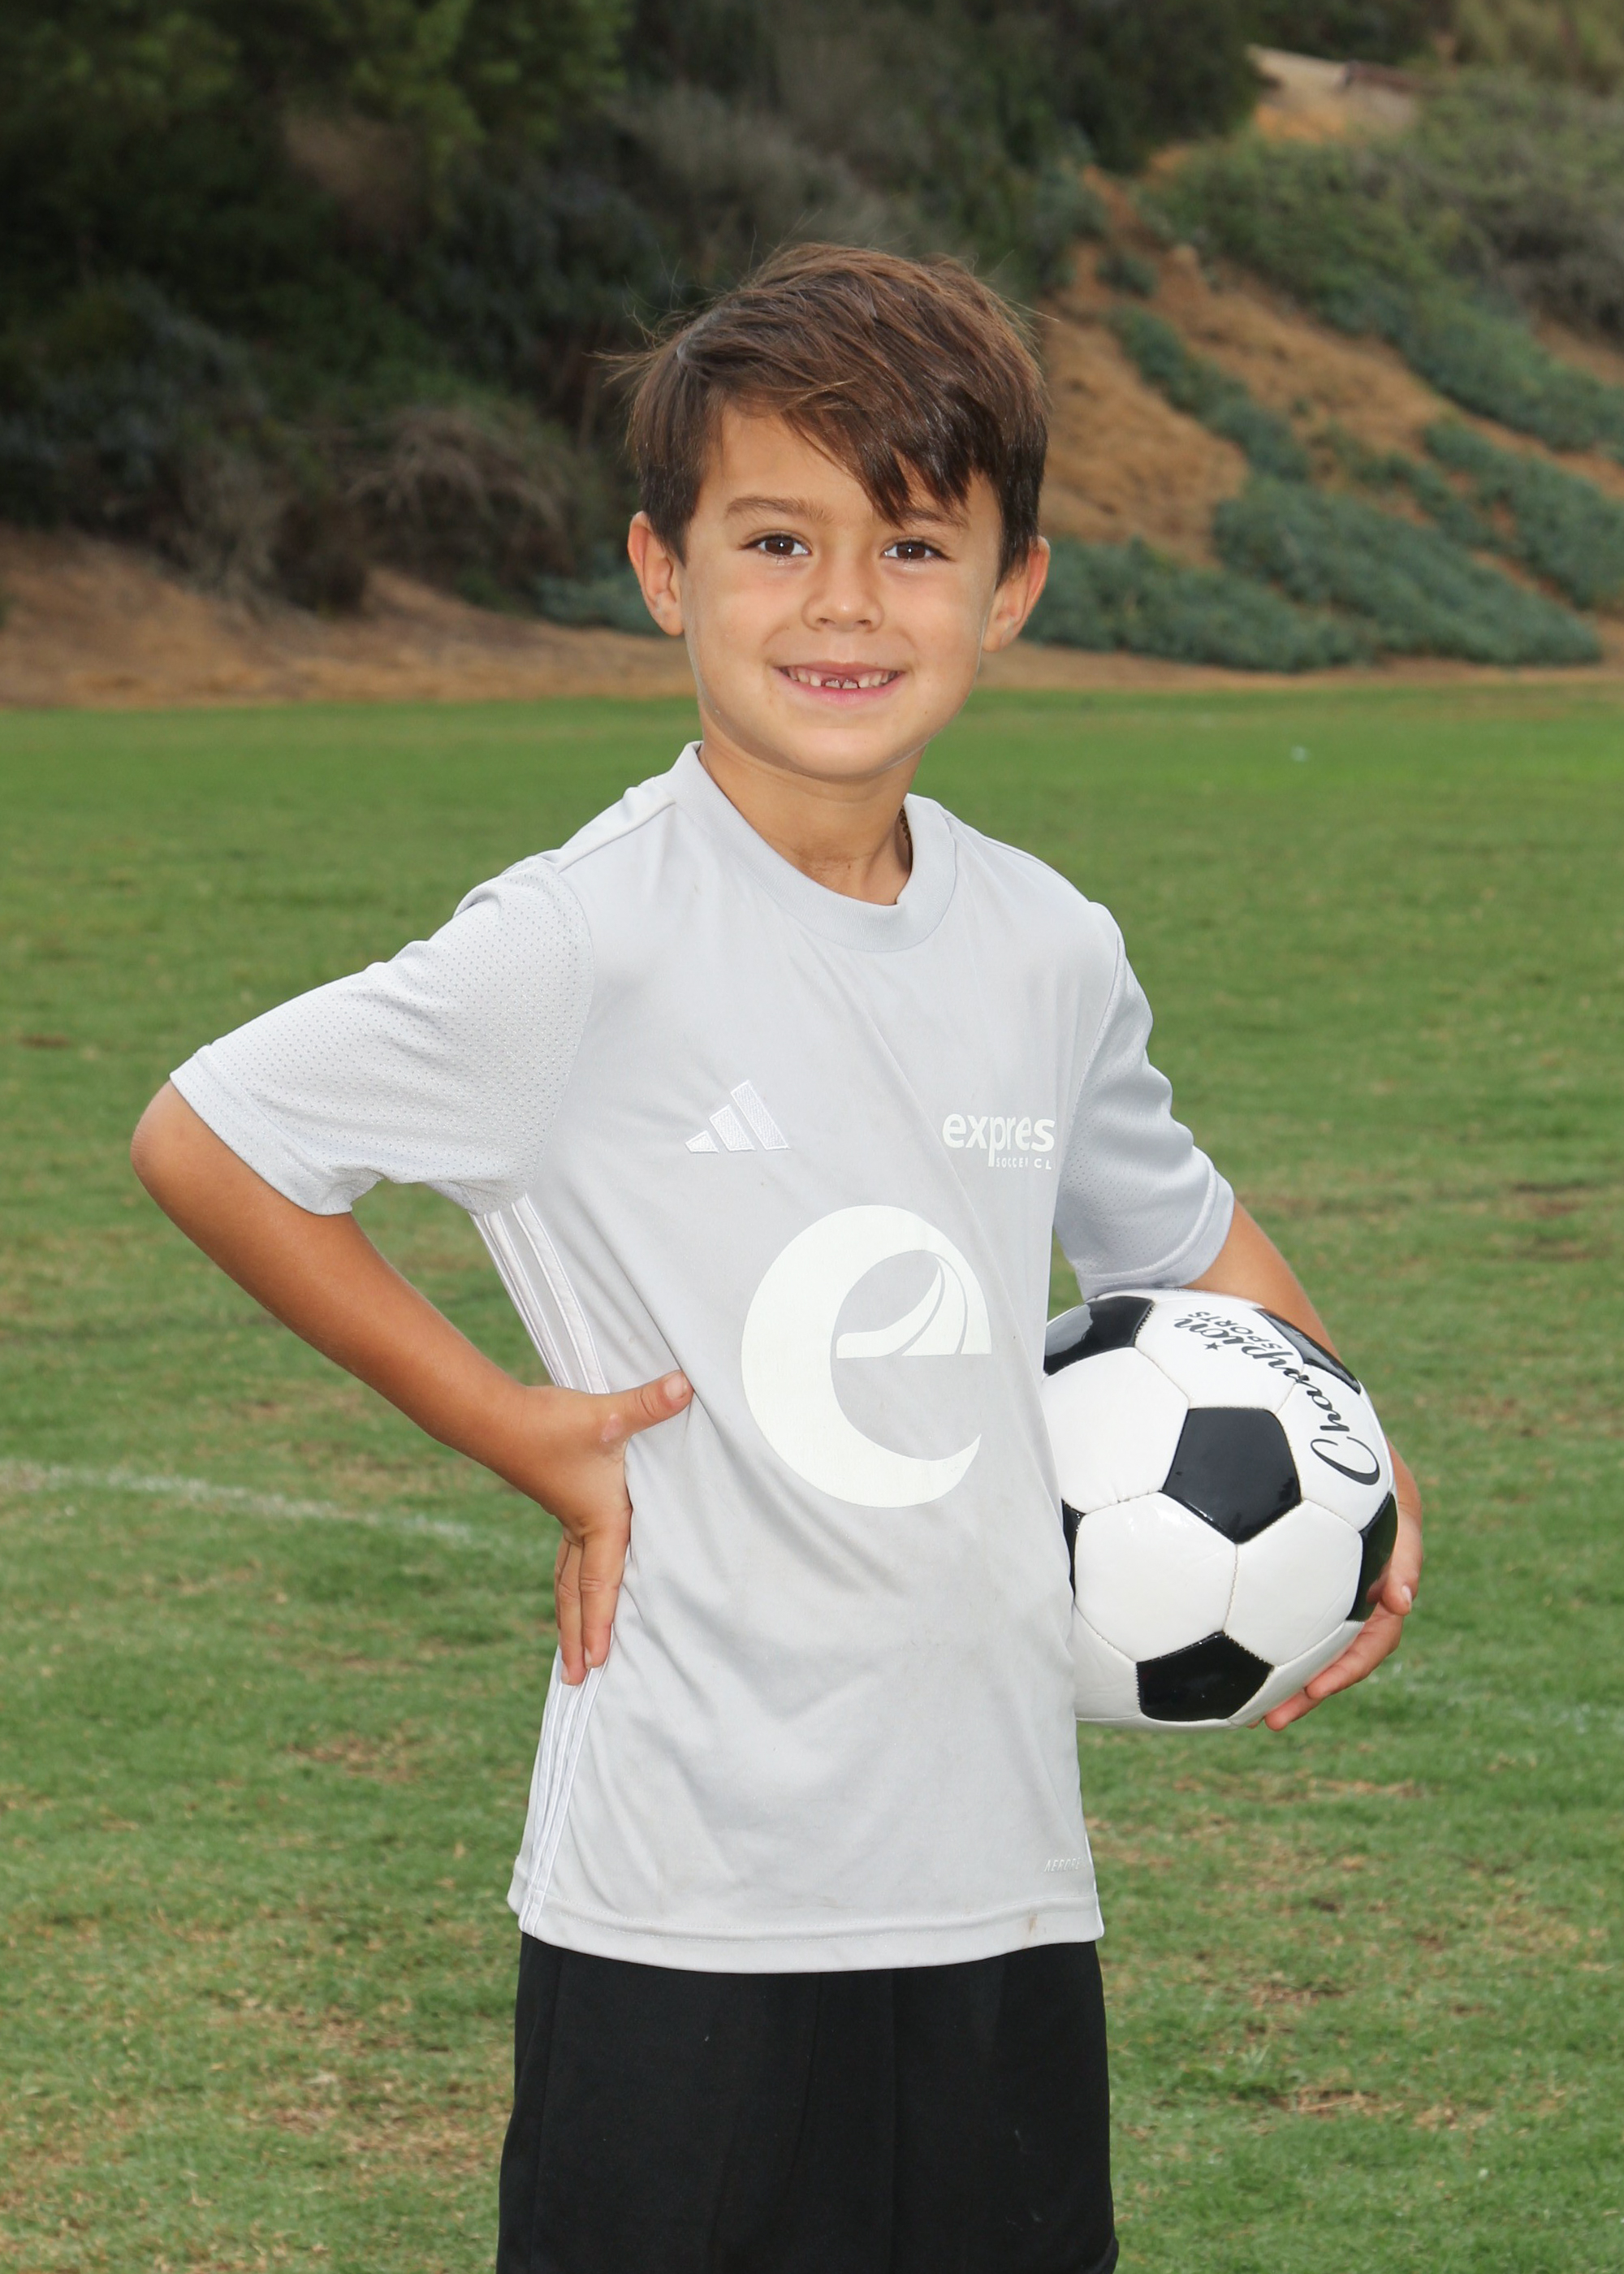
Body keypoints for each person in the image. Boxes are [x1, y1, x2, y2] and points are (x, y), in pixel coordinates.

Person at [131, 244, 1422, 2274]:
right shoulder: (585, 938)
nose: (842, 603)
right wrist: (519, 1425)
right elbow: (210, 1136)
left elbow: (1189, 1243)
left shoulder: (1045, 946)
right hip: (685, 1895)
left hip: (997, 1880)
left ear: (1010, 587)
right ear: (663, 570)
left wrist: (1349, 1455)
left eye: (911, 545)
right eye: (773, 539)